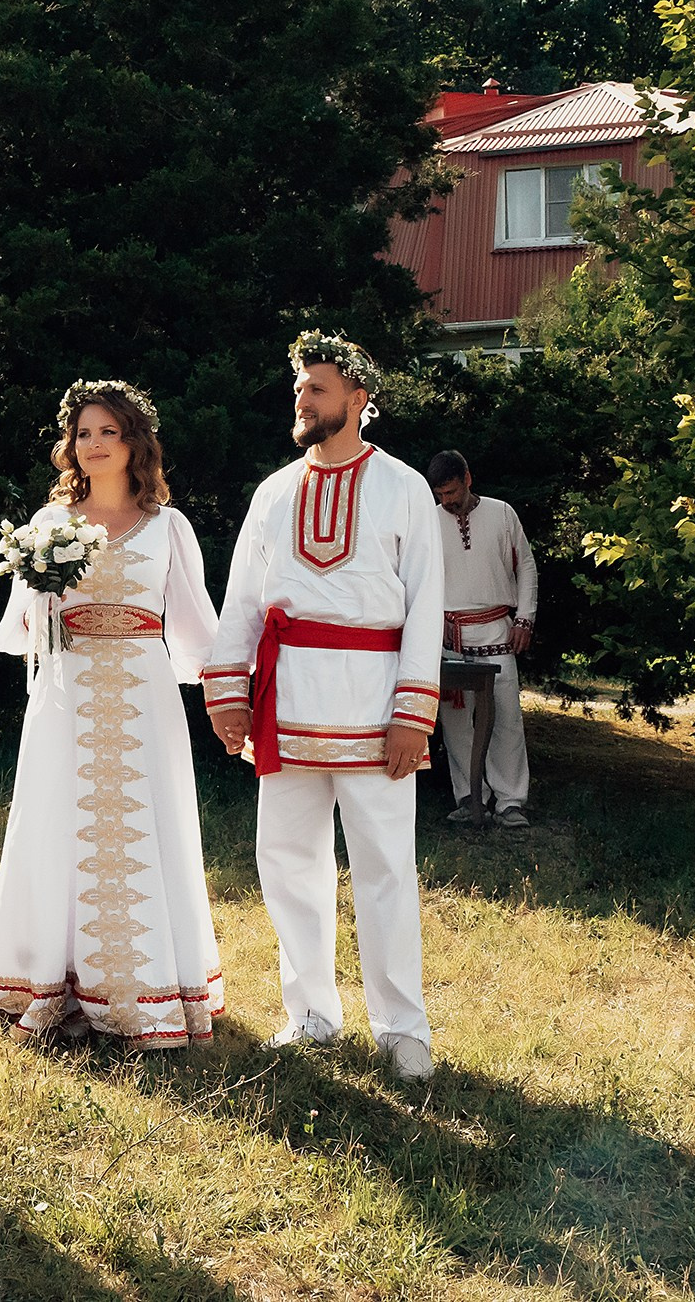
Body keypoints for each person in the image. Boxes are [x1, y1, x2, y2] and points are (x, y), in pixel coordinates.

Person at [203, 332, 443, 1081]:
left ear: (358, 400)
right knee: (285, 861)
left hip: (376, 709)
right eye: (299, 389)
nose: (302, 401)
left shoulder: (406, 486)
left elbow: (426, 606)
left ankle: (401, 1028)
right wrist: (228, 692)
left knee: (384, 866)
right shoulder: (273, 492)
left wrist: (413, 712)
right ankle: (310, 1013)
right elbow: (243, 598)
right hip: (287, 703)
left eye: (318, 389)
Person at [0, 380, 226, 1047]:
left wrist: (232, 687)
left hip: (144, 692)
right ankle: (54, 981)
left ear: (133, 441)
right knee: (62, 825)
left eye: (107, 432)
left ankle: (144, 988)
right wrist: (46, 597)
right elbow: (21, 628)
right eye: (82, 434)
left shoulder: (169, 526)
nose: (92, 445)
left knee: (147, 826)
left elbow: (198, 627)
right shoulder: (49, 526)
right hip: (69, 692)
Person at [425, 450, 538, 828]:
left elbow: (525, 566)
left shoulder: (503, 513)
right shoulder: (428, 520)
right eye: (441, 494)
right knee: (456, 721)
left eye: (452, 491)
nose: (448, 500)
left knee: (506, 718)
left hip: (497, 632)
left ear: (468, 479)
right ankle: (470, 795)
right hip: (450, 637)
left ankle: (510, 801)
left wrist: (525, 617)